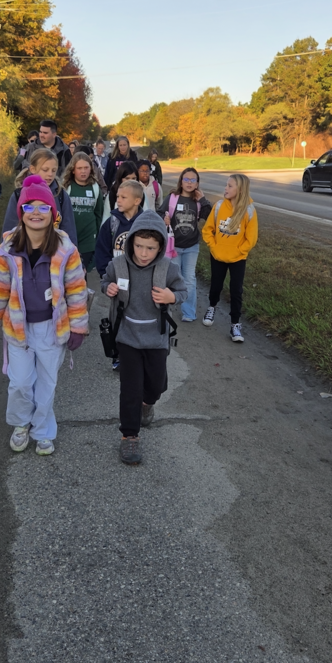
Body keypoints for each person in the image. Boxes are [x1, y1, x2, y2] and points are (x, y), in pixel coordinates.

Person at [0, 175, 88, 456]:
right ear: (21, 213)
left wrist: (79, 327)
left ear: (53, 213)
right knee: (20, 382)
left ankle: (43, 430)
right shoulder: (6, 251)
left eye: (43, 207)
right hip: (18, 328)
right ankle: (21, 424)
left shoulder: (66, 251)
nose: (36, 213)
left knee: (46, 383)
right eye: (29, 207)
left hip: (52, 327)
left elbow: (76, 291)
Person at [102, 211, 187, 465]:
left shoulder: (168, 269)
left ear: (160, 247)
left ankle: (147, 403)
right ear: (131, 243)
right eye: (138, 246)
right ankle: (129, 435)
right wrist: (109, 288)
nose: (143, 253)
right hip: (127, 336)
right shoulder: (118, 265)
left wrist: (172, 297)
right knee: (130, 388)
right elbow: (106, 280)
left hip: (156, 338)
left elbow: (182, 291)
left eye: (150, 248)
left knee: (156, 385)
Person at [95, 178, 145, 371]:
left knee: (138, 317)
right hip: (118, 282)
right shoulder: (112, 223)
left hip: (140, 280)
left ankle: (137, 353)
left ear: (137, 200)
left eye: (124, 197)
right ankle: (117, 354)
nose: (118, 200)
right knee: (118, 318)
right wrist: (106, 277)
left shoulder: (145, 224)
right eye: (118, 196)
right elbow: (102, 251)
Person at [201, 173, 258, 343]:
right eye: (226, 185)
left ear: (240, 190)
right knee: (216, 285)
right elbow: (207, 230)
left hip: (238, 258)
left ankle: (235, 324)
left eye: (230, 186)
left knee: (236, 290)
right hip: (218, 255)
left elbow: (251, 238)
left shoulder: (249, 210)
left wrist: (240, 251)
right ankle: (212, 307)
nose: (225, 188)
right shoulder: (219, 206)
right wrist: (214, 246)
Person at [159, 167, 212, 322]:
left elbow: (210, 216)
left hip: (191, 246)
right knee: (175, 277)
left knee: (189, 278)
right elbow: (160, 212)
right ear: (181, 181)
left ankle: (188, 312)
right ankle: (168, 305)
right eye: (186, 179)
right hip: (174, 246)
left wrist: (203, 200)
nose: (189, 183)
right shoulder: (172, 197)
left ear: (197, 183)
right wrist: (164, 218)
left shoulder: (198, 201)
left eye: (193, 180)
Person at [2, 148, 77, 242]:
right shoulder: (19, 195)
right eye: (45, 170)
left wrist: (71, 249)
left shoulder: (61, 195)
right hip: (25, 248)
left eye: (54, 170)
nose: (50, 174)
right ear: (33, 169)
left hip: (54, 248)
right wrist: (6, 249)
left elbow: (69, 229)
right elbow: (9, 228)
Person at [62, 150, 104, 273]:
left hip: (88, 240)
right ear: (73, 170)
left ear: (91, 169)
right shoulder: (66, 188)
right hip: (69, 238)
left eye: (86, 168)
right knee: (68, 273)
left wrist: (97, 238)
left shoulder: (95, 188)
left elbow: (98, 214)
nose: (83, 171)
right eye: (79, 168)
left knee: (82, 273)